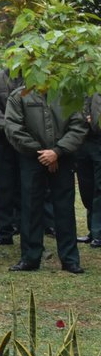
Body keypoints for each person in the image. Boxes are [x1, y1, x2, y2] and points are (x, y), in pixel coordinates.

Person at [4, 88, 88, 273]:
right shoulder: (19, 96)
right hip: (32, 158)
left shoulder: (68, 93)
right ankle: (30, 258)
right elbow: (13, 127)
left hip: (63, 159)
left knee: (64, 208)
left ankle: (70, 259)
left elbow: (79, 125)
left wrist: (57, 152)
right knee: (31, 207)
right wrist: (42, 154)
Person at [0, 68, 23, 246]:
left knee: (29, 188)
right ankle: (4, 231)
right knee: (4, 187)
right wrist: (11, 128)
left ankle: (28, 228)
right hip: (3, 141)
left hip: (27, 143)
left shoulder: (35, 78)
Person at [79, 93, 101, 248]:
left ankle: (98, 232)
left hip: (98, 140)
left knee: (99, 189)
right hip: (83, 142)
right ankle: (92, 230)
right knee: (86, 187)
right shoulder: (79, 82)